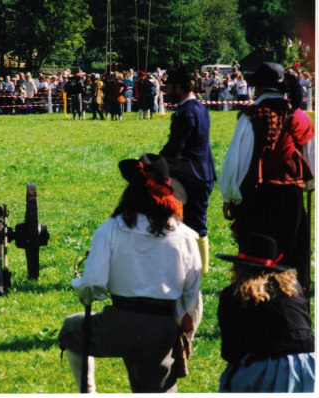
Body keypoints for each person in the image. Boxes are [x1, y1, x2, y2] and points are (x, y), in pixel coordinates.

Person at [58, 153, 202, 393]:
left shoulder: (111, 229)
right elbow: (191, 301)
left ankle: (88, 392)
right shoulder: (186, 236)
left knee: (72, 329)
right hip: (161, 329)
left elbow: (93, 283)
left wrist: (83, 289)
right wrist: (186, 336)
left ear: (131, 194)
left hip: (118, 323)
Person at [219, 62, 315, 298]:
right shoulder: (301, 117)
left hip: (258, 197)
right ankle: (292, 302)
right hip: (291, 199)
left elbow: (236, 162)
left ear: (258, 88)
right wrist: (309, 186)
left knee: (257, 257)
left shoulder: (252, 116)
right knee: (290, 254)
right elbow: (311, 162)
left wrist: (230, 197)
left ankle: (255, 300)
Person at [215, 233, 315, 393]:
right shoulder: (292, 288)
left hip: (269, 368)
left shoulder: (236, 293)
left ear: (239, 265)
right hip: (310, 364)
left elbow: (231, 349)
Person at [159, 67, 217, 274]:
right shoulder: (199, 107)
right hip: (203, 172)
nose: (166, 90)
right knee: (195, 220)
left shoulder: (185, 113)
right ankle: (198, 267)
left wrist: (155, 161)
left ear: (179, 87)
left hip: (193, 174)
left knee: (194, 223)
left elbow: (175, 146)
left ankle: (200, 270)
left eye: (169, 86)